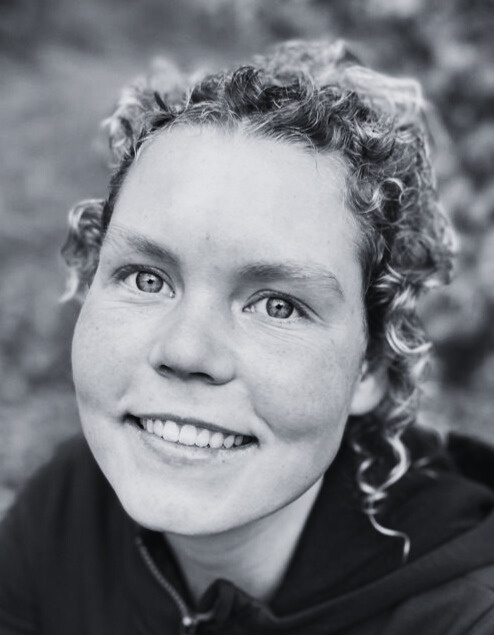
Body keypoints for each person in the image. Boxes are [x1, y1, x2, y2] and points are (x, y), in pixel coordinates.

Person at [1, 39, 494, 635]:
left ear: (371, 367)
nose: (186, 351)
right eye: (147, 278)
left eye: (277, 306)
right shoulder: (64, 516)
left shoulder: (464, 616)